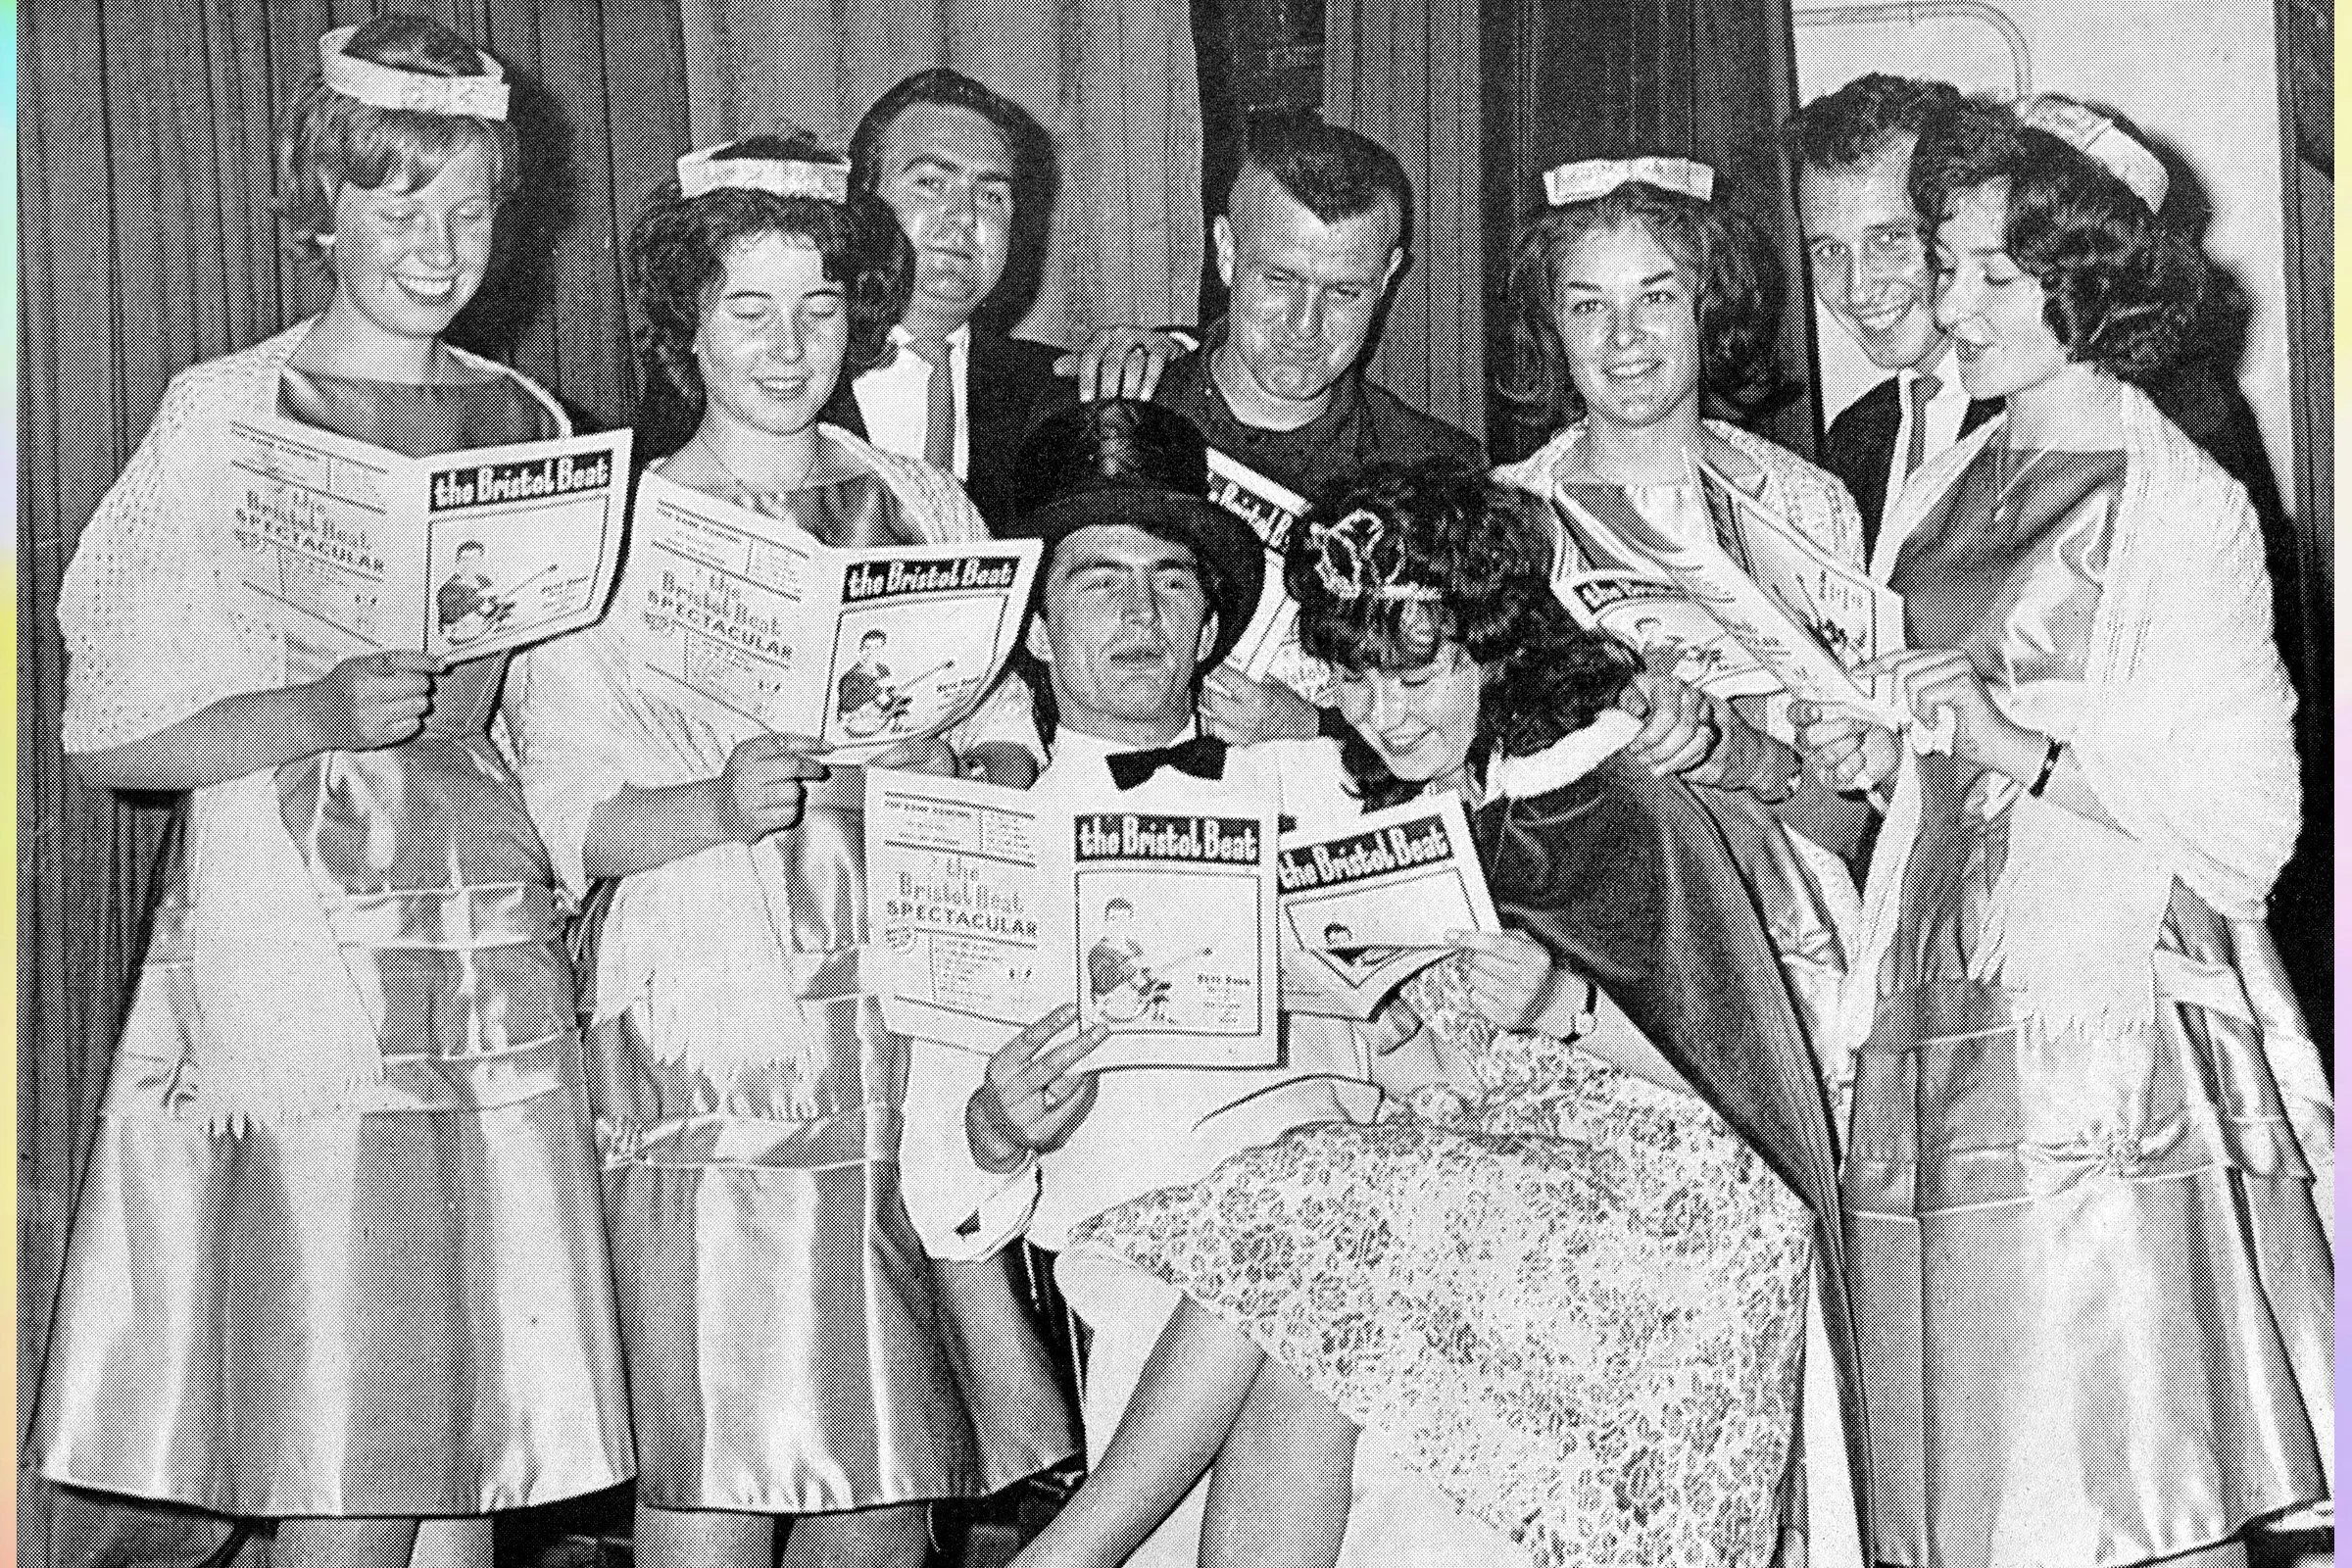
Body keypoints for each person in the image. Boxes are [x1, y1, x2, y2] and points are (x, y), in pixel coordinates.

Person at [1003, 459, 1857, 1568]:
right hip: (1520, 1176)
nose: (1380, 716)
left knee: (1311, 1186)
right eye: (1355, 682)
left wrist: (1567, 1004)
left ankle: (1063, 1558)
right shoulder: (1427, 795)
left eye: (1415, 680)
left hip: (1672, 1212)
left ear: (1493, 648)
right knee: (1309, 1340)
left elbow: (1752, 1074)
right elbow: (1462, 1066)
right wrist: (1400, 1033)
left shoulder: (1601, 795)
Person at [27, 18, 633, 1568]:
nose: (437, 248)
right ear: (324, 205)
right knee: (349, 1445)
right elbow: (110, 736)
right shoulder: (226, 414)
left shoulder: (527, 424)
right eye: (397, 204)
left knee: (468, 1457)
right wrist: (314, 707)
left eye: (471, 210)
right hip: (308, 964)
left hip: (487, 958)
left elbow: (529, 714)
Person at [506, 135, 1069, 1568]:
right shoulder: (618, 534)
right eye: (747, 310)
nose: (788, 344)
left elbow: (1005, 715)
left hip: (896, 1025)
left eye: (819, 307)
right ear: (684, 323)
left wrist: (965, 766)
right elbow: (569, 813)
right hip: (717, 1024)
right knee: (718, 1455)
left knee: (883, 1473)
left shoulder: (915, 504)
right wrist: (718, 799)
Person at [1791, 97, 2333, 1568]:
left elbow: (2245, 820)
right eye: (1947, 263)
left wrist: (2010, 747)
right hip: (1931, 987)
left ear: (2084, 286)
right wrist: (1885, 738)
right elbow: (1938, 725)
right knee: (1988, 1467)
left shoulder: (2181, 501)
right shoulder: (1946, 473)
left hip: (2088, 1008)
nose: (1943, 304)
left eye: (1987, 277)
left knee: (2138, 1457)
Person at [899, 399, 1502, 1568]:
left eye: (1173, 582)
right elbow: (945, 1189)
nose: (1140, 612)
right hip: (1149, 1272)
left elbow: (1457, 1023)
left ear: (1213, 617)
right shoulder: (990, 836)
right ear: (1033, 633)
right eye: (1098, 582)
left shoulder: (1327, 777)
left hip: (1387, 1229)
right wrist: (996, 1124)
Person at [1491, 156, 1872, 886]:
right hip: (1584, 951)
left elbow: (1852, 824)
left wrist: (1742, 755)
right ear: (1554, 328)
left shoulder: (1807, 508)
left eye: (1656, 298)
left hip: (1789, 948)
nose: (1624, 337)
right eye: (1589, 306)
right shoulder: (1507, 516)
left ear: (1708, 307)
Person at [1059, 111, 1485, 749]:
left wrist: (1318, 730)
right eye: (1279, 280)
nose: (1304, 326)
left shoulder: (1435, 467)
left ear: (1389, 276)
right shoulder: (1111, 406)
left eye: (1344, 292)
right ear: (1227, 253)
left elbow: (1475, 711)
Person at [1787, 75, 2292, 553]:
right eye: (1826, 252)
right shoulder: (1855, 438)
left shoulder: (2177, 413)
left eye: (1891, 241)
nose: (1857, 288)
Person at [824, 69, 1064, 528]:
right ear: (864, 200)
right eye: (930, 184)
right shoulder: (790, 371)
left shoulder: (1048, 392)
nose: (962, 215)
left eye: (991, 195)